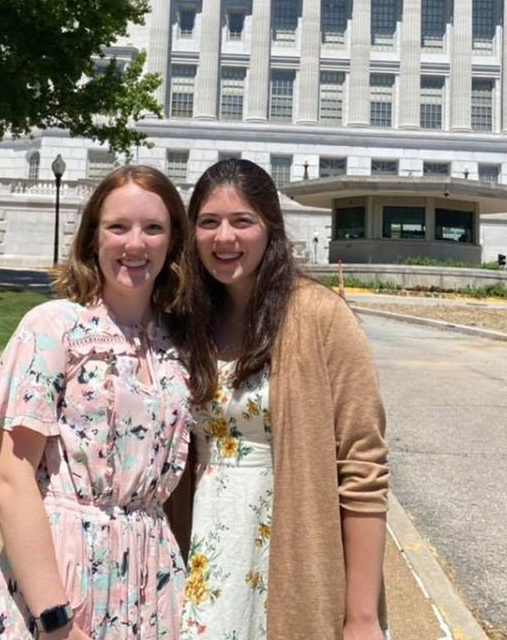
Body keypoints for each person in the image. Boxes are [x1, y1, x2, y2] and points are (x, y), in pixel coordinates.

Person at [0, 165, 193, 640]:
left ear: (173, 242)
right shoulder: (55, 327)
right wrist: (55, 620)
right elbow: (10, 478)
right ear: (94, 238)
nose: (136, 244)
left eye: (153, 228)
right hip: (63, 572)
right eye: (118, 227)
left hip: (152, 576)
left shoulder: (176, 345)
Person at [176, 159, 390, 640]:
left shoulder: (320, 315)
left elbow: (363, 466)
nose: (224, 238)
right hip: (202, 541)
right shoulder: (187, 317)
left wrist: (362, 617)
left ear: (270, 227)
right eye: (209, 222)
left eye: (242, 221)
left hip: (289, 536)